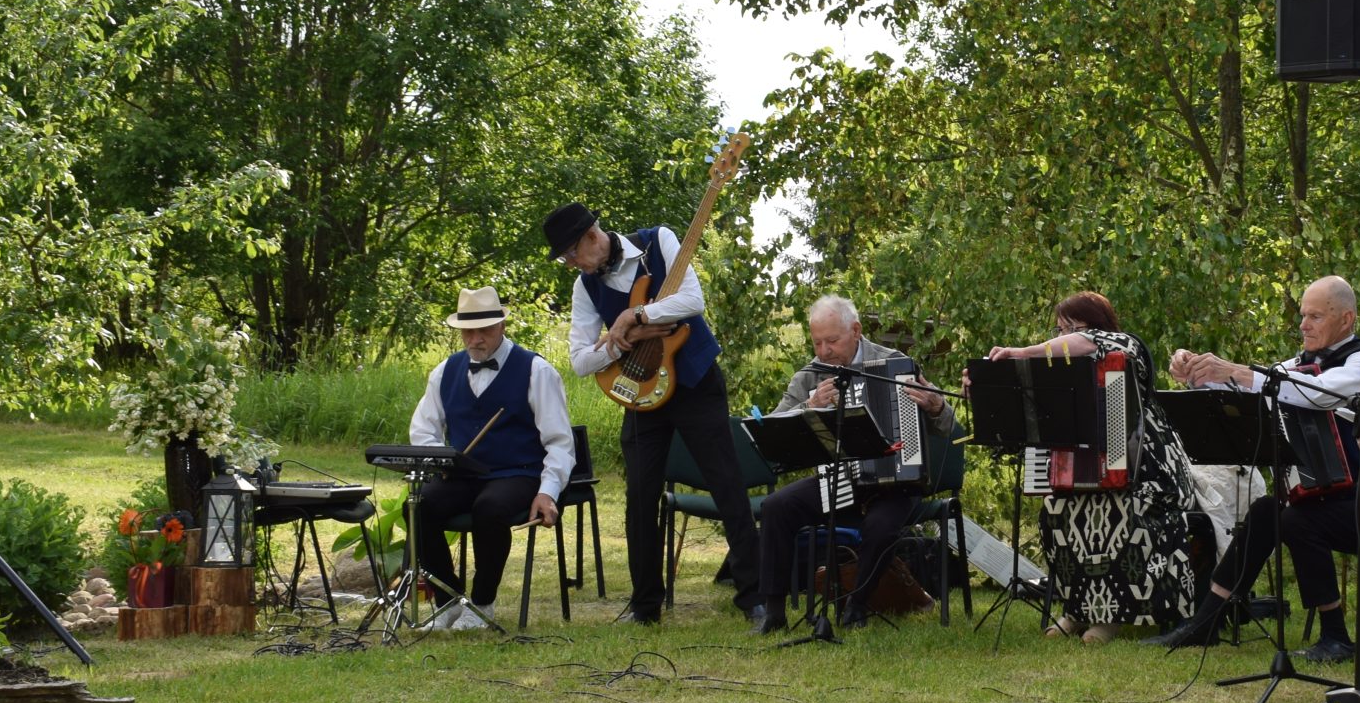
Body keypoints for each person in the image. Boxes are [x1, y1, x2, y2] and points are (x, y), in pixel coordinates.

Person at [1152, 276, 1360, 662]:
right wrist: (1198, 372)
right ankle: (1205, 622)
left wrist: (1236, 371)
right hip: (1331, 503)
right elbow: (1249, 392)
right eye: (1303, 315)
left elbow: (1315, 392)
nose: (1304, 325)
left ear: (1346, 319)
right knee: (1265, 511)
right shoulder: (1299, 364)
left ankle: (1336, 636)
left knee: (1296, 519)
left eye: (1315, 316)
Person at [542, 202, 763, 627]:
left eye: (570, 253)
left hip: (696, 383)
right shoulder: (585, 287)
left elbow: (692, 300)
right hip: (642, 392)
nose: (570, 264)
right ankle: (645, 606)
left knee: (727, 485)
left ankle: (755, 597)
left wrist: (634, 314)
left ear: (591, 237)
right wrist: (627, 338)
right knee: (640, 499)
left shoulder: (658, 241)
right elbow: (580, 361)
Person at [984, 292, 1199, 642]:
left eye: (1071, 328)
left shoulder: (1126, 344)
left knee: (1118, 511)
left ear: (1097, 325)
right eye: (1059, 329)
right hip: (1089, 467)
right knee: (1056, 511)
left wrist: (1022, 352)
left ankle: (1113, 616)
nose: (1063, 337)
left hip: (1149, 471)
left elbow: (1089, 343)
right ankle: (1076, 611)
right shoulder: (1057, 370)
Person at [757, 296, 956, 631]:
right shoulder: (810, 375)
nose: (824, 351)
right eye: (817, 342)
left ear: (856, 331)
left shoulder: (897, 364)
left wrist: (936, 405)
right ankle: (773, 612)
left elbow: (948, 425)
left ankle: (857, 607)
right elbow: (774, 431)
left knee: (880, 526)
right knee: (776, 507)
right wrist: (809, 405)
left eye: (832, 341)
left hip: (897, 483)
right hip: (837, 479)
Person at [404, 285, 575, 628]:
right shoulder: (444, 371)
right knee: (419, 506)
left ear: (502, 326)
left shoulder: (536, 370)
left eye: (484, 330)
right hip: (464, 474)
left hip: (518, 472)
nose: (476, 339)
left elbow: (560, 442)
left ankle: (482, 605)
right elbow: (423, 431)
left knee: (490, 508)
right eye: (468, 331)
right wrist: (445, 461)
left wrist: (548, 492)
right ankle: (448, 600)